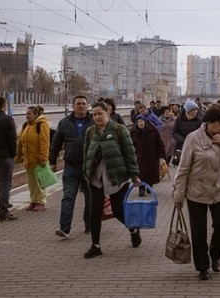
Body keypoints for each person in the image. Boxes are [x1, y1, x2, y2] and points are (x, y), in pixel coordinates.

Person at [173, 105, 220, 280]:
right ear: (210, 123)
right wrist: (178, 194)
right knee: (198, 232)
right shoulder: (193, 139)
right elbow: (183, 169)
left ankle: (216, 253)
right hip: (196, 192)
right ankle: (202, 266)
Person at [83, 101, 142, 259]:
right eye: (94, 115)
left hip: (117, 176)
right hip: (96, 177)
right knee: (94, 211)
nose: (96, 117)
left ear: (107, 113)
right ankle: (95, 246)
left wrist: (134, 175)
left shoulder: (119, 129)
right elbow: (86, 153)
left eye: (100, 114)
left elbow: (129, 153)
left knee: (118, 211)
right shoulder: (90, 132)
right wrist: (86, 171)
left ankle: (133, 229)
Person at [50, 95, 94, 238]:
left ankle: (90, 225)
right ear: (73, 106)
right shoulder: (64, 123)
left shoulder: (94, 121)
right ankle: (65, 227)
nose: (81, 106)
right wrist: (52, 161)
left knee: (90, 198)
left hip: (89, 167)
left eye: (83, 104)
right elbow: (56, 143)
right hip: (71, 167)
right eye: (78, 104)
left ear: (87, 106)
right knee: (68, 197)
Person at [15, 105, 50, 212]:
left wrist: (43, 157)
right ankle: (34, 200)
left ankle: (41, 201)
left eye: (29, 114)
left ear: (36, 115)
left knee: (39, 182)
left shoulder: (42, 125)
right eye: (26, 114)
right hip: (28, 159)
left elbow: (44, 142)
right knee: (31, 182)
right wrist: (19, 156)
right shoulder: (26, 125)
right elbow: (20, 142)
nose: (27, 116)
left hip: (38, 159)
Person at [130, 114, 165, 196]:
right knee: (141, 173)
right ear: (136, 123)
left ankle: (149, 187)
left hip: (152, 155)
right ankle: (141, 188)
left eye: (142, 121)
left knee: (151, 172)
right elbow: (130, 144)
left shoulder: (153, 130)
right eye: (138, 122)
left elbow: (159, 142)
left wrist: (161, 156)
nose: (140, 123)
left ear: (145, 122)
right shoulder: (133, 132)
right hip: (140, 155)